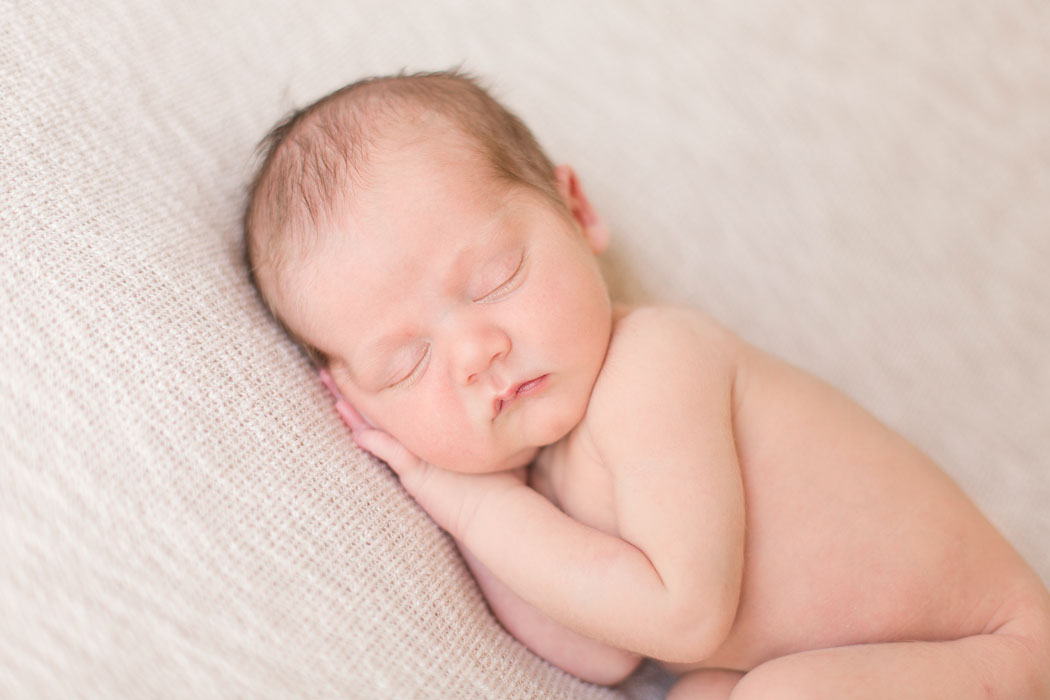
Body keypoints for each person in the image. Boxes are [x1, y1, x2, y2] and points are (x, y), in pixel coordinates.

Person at [243, 70, 1050, 698]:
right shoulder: (540, 479)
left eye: (494, 279)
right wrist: (453, 489)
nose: (476, 352)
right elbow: (599, 649)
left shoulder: (657, 363)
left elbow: (683, 613)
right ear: (356, 400)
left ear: (575, 209)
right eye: (405, 363)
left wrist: (469, 502)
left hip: (996, 651)